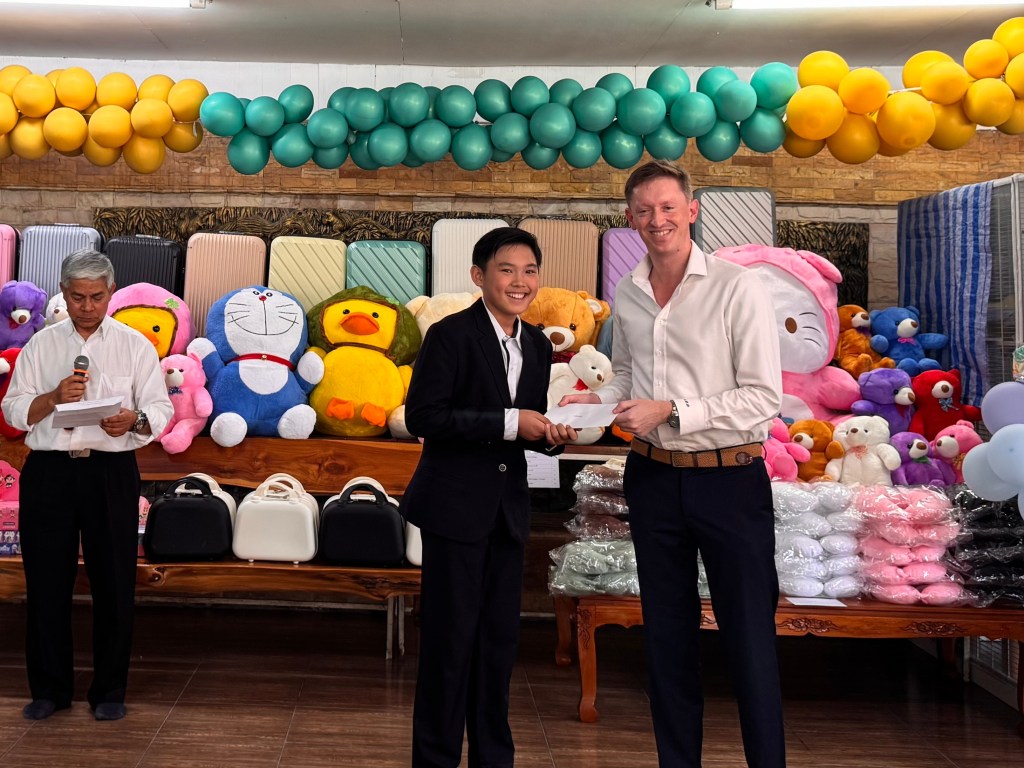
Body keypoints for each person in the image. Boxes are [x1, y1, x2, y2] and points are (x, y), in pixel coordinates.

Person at [561, 161, 786, 768]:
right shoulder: (629, 291)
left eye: (667, 207)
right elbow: (628, 375)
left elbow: (763, 397)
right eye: (643, 210)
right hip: (653, 477)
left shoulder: (738, 286)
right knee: (666, 637)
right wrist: (593, 402)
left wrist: (672, 410)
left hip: (729, 480)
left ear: (691, 210)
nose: (656, 220)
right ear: (629, 218)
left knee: (749, 638)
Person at [403, 227, 577, 768]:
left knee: (499, 644)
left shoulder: (537, 344)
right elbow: (423, 417)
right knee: (449, 645)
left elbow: (525, 430)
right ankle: (435, 760)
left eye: (530, 271)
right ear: (479, 276)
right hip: (454, 510)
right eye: (507, 270)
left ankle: (494, 758)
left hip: (507, 512)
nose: (520, 282)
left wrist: (551, 435)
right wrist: (509, 422)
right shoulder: (449, 335)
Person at [2, 249, 172, 723]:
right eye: (77, 297)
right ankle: (49, 690)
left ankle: (110, 690)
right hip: (50, 472)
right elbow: (12, 410)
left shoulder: (135, 345)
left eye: (96, 297)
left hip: (110, 473)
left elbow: (160, 409)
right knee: (46, 582)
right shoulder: (40, 346)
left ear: (111, 293)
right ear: (63, 293)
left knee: (114, 582)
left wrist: (133, 420)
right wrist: (53, 397)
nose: (87, 306)